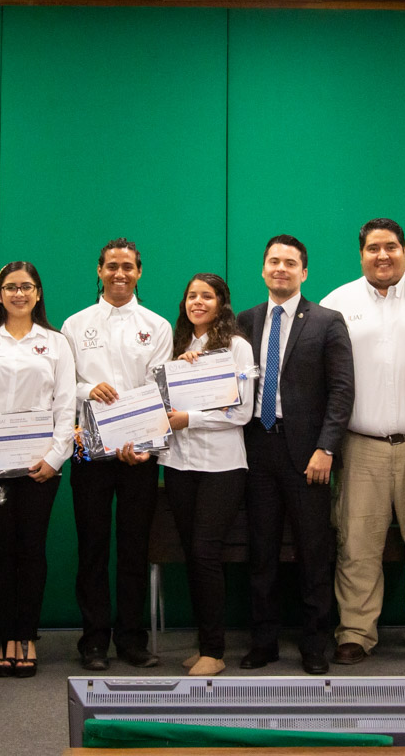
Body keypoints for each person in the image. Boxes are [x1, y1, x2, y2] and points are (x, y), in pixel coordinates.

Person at [320, 218, 405, 668]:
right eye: (374, 248)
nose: (383, 255)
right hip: (361, 446)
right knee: (357, 546)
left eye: (391, 247)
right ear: (361, 254)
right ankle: (356, 632)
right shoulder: (337, 303)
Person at [238, 234, 354, 676]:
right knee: (261, 552)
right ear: (263, 269)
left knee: (312, 551)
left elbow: (342, 390)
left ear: (304, 272)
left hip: (309, 454)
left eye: (290, 262)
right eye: (273, 261)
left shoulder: (327, 320)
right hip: (256, 448)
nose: (281, 268)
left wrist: (327, 447)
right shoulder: (244, 322)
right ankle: (263, 643)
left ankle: (314, 644)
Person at [0, 262, 76, 678]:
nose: (18, 294)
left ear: (38, 293)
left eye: (26, 287)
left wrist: (56, 457)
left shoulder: (56, 343)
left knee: (32, 551)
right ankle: (4, 637)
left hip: (41, 467)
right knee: (1, 552)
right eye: (10, 287)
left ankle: (27, 636)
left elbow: (65, 408)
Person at [61, 238, 172, 670]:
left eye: (128, 266)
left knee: (133, 549)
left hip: (138, 457)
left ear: (139, 272)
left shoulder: (157, 325)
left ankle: (131, 640)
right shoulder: (75, 324)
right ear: (99, 270)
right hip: (90, 452)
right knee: (91, 549)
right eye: (111, 266)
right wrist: (89, 389)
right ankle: (93, 640)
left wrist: (144, 446)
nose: (119, 273)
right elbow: (63, 385)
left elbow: (159, 392)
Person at [159, 273, 256, 678]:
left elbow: (242, 412)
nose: (198, 302)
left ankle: (214, 651)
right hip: (179, 466)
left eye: (207, 296)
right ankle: (204, 646)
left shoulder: (237, 347)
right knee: (192, 556)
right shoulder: (180, 347)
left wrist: (189, 418)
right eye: (191, 296)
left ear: (221, 303)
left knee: (205, 553)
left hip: (222, 467)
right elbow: (161, 407)